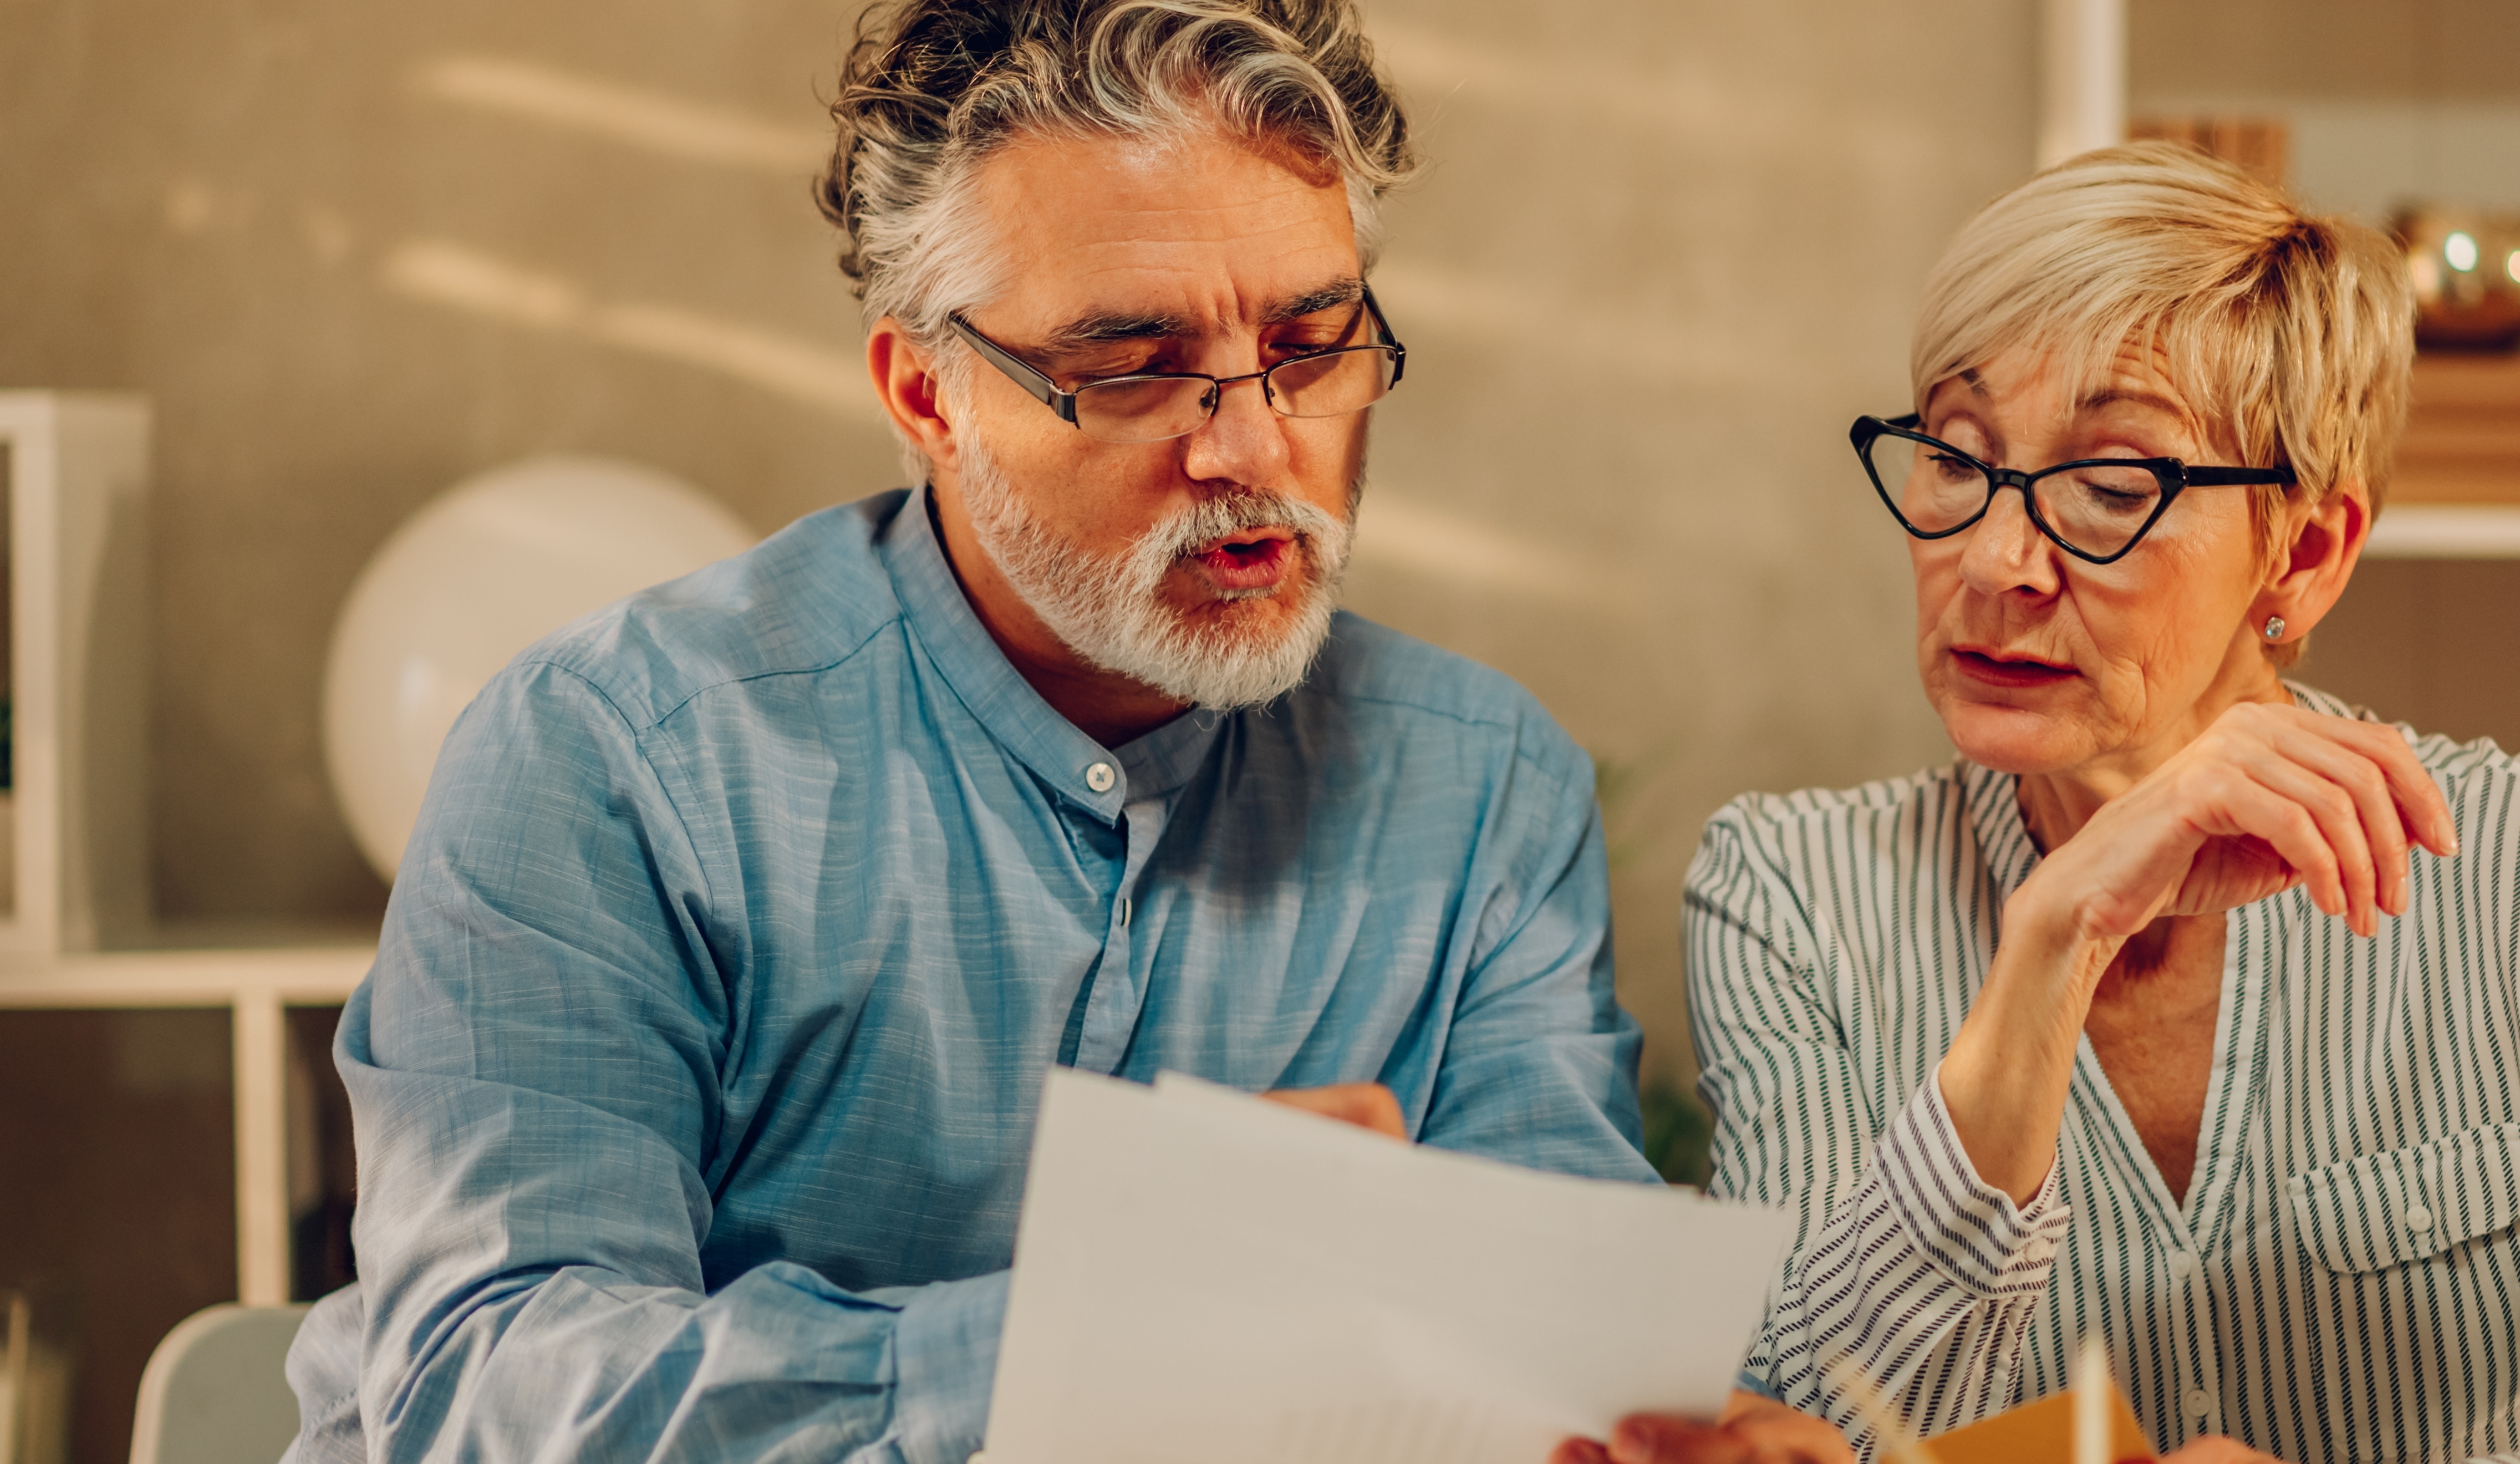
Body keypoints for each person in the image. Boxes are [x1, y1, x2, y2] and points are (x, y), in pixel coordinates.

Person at [281, 2, 1668, 1460]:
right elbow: (483, 1388)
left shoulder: (1485, 785)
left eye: (1311, 343)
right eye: (1132, 365)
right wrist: (1082, 1344)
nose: (1256, 448)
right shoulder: (610, 758)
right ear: (923, 392)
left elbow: (1546, 1368)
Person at [1589, 144, 2520, 1464]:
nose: (1995, 559)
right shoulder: (1790, 893)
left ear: (2308, 551)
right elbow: (1795, 1423)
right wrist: (2051, 946)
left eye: (2111, 488)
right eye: (1956, 455)